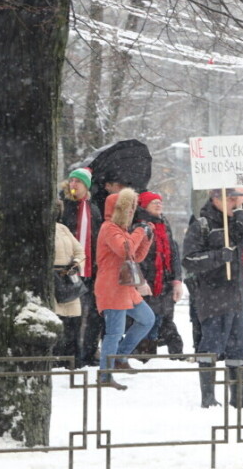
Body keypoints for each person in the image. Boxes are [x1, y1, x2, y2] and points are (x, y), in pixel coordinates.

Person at [182, 188, 243, 408]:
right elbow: (189, 260)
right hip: (213, 296)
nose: (235, 203)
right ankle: (208, 395)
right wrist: (216, 257)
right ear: (216, 199)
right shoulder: (202, 224)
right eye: (230, 198)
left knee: (239, 347)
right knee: (211, 344)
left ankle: (239, 394)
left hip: (240, 295)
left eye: (237, 198)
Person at [94, 188, 155, 390]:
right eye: (127, 209)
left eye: (132, 209)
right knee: (114, 332)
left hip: (124, 286)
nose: (131, 213)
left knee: (147, 319)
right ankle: (105, 375)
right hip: (112, 286)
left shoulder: (120, 230)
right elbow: (125, 249)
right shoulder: (109, 228)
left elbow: (134, 257)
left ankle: (120, 357)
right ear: (118, 209)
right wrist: (139, 232)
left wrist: (147, 238)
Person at [59, 167, 104, 367]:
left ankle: (87, 352)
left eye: (77, 181)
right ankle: (68, 355)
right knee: (69, 313)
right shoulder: (64, 205)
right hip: (68, 267)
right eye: (71, 181)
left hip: (90, 268)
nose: (73, 184)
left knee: (92, 314)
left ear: (86, 186)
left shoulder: (92, 208)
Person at [134, 191, 184, 357]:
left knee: (162, 320)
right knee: (149, 321)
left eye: (159, 202)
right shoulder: (139, 225)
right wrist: (140, 281)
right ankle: (146, 354)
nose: (158, 204)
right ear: (144, 205)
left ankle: (156, 353)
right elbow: (134, 257)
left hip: (164, 283)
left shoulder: (164, 224)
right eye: (153, 202)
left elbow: (174, 253)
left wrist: (177, 280)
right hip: (147, 283)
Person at [52, 200, 86, 367]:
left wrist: (76, 263)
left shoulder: (64, 229)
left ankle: (72, 360)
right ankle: (57, 360)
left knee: (74, 320)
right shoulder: (43, 230)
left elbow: (80, 250)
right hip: (53, 278)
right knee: (57, 320)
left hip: (68, 277)